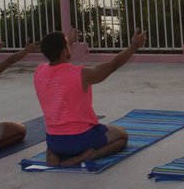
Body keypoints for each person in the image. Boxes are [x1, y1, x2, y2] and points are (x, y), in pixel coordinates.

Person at [34, 28, 146, 166]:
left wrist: (68, 43)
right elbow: (113, 65)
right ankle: (88, 155)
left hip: (54, 140)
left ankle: (53, 154)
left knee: (59, 135)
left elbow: (57, 59)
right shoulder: (81, 74)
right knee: (122, 135)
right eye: (67, 45)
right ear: (64, 51)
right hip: (81, 138)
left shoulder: (39, 72)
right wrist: (134, 45)